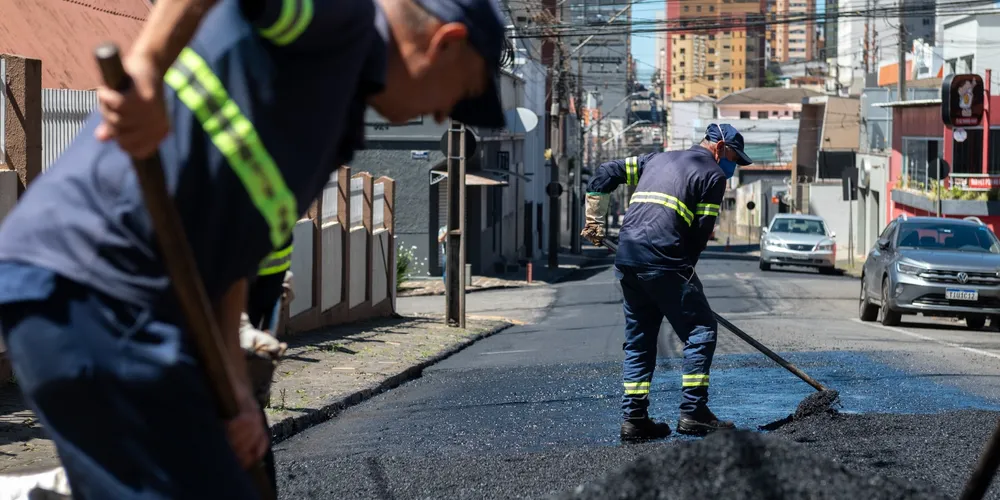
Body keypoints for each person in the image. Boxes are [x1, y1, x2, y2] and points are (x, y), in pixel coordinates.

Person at [0, 0, 507, 496]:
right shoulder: (347, 19)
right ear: (446, 42)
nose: (442, 116)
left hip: (141, 307)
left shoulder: (335, 109)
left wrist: (236, 388)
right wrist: (147, 67)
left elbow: (231, 255)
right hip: (92, 279)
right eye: (459, 94)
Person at [581, 124, 752, 442]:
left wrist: (594, 219)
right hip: (665, 259)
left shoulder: (655, 160)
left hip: (627, 259)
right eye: (733, 158)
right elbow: (700, 233)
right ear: (719, 147)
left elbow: (606, 172)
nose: (732, 167)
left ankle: (634, 419)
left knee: (640, 342)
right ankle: (694, 413)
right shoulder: (712, 176)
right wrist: (686, 277)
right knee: (701, 332)